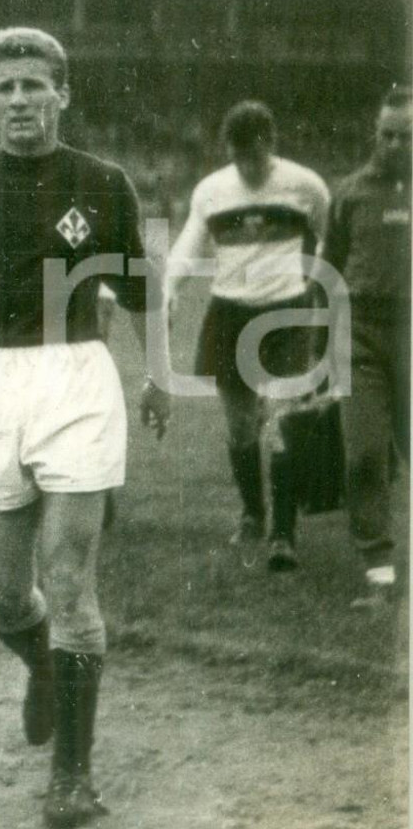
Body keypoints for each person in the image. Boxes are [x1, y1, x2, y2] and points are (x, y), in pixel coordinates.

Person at [0, 28, 170, 829]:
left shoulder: (102, 181)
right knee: (4, 597)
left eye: (34, 84)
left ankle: (74, 775)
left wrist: (159, 373)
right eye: (6, 87)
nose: (20, 99)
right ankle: (46, 671)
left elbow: (141, 291)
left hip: (77, 378)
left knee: (68, 581)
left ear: (62, 93)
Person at [167, 101, 330, 572]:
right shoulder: (212, 191)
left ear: (271, 145)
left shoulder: (306, 185)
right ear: (229, 151)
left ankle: (283, 534)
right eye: (239, 158)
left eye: (255, 158)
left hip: (286, 312)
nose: (248, 168)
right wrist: (170, 290)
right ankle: (253, 514)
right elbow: (187, 247)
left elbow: (330, 236)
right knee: (240, 426)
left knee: (282, 423)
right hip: (229, 314)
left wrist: (319, 283)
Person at [323, 86, 411, 608]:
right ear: (375, 134)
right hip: (360, 336)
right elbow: (327, 271)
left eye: (407, 136)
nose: (395, 144)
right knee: (364, 455)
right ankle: (379, 573)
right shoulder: (351, 192)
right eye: (387, 135)